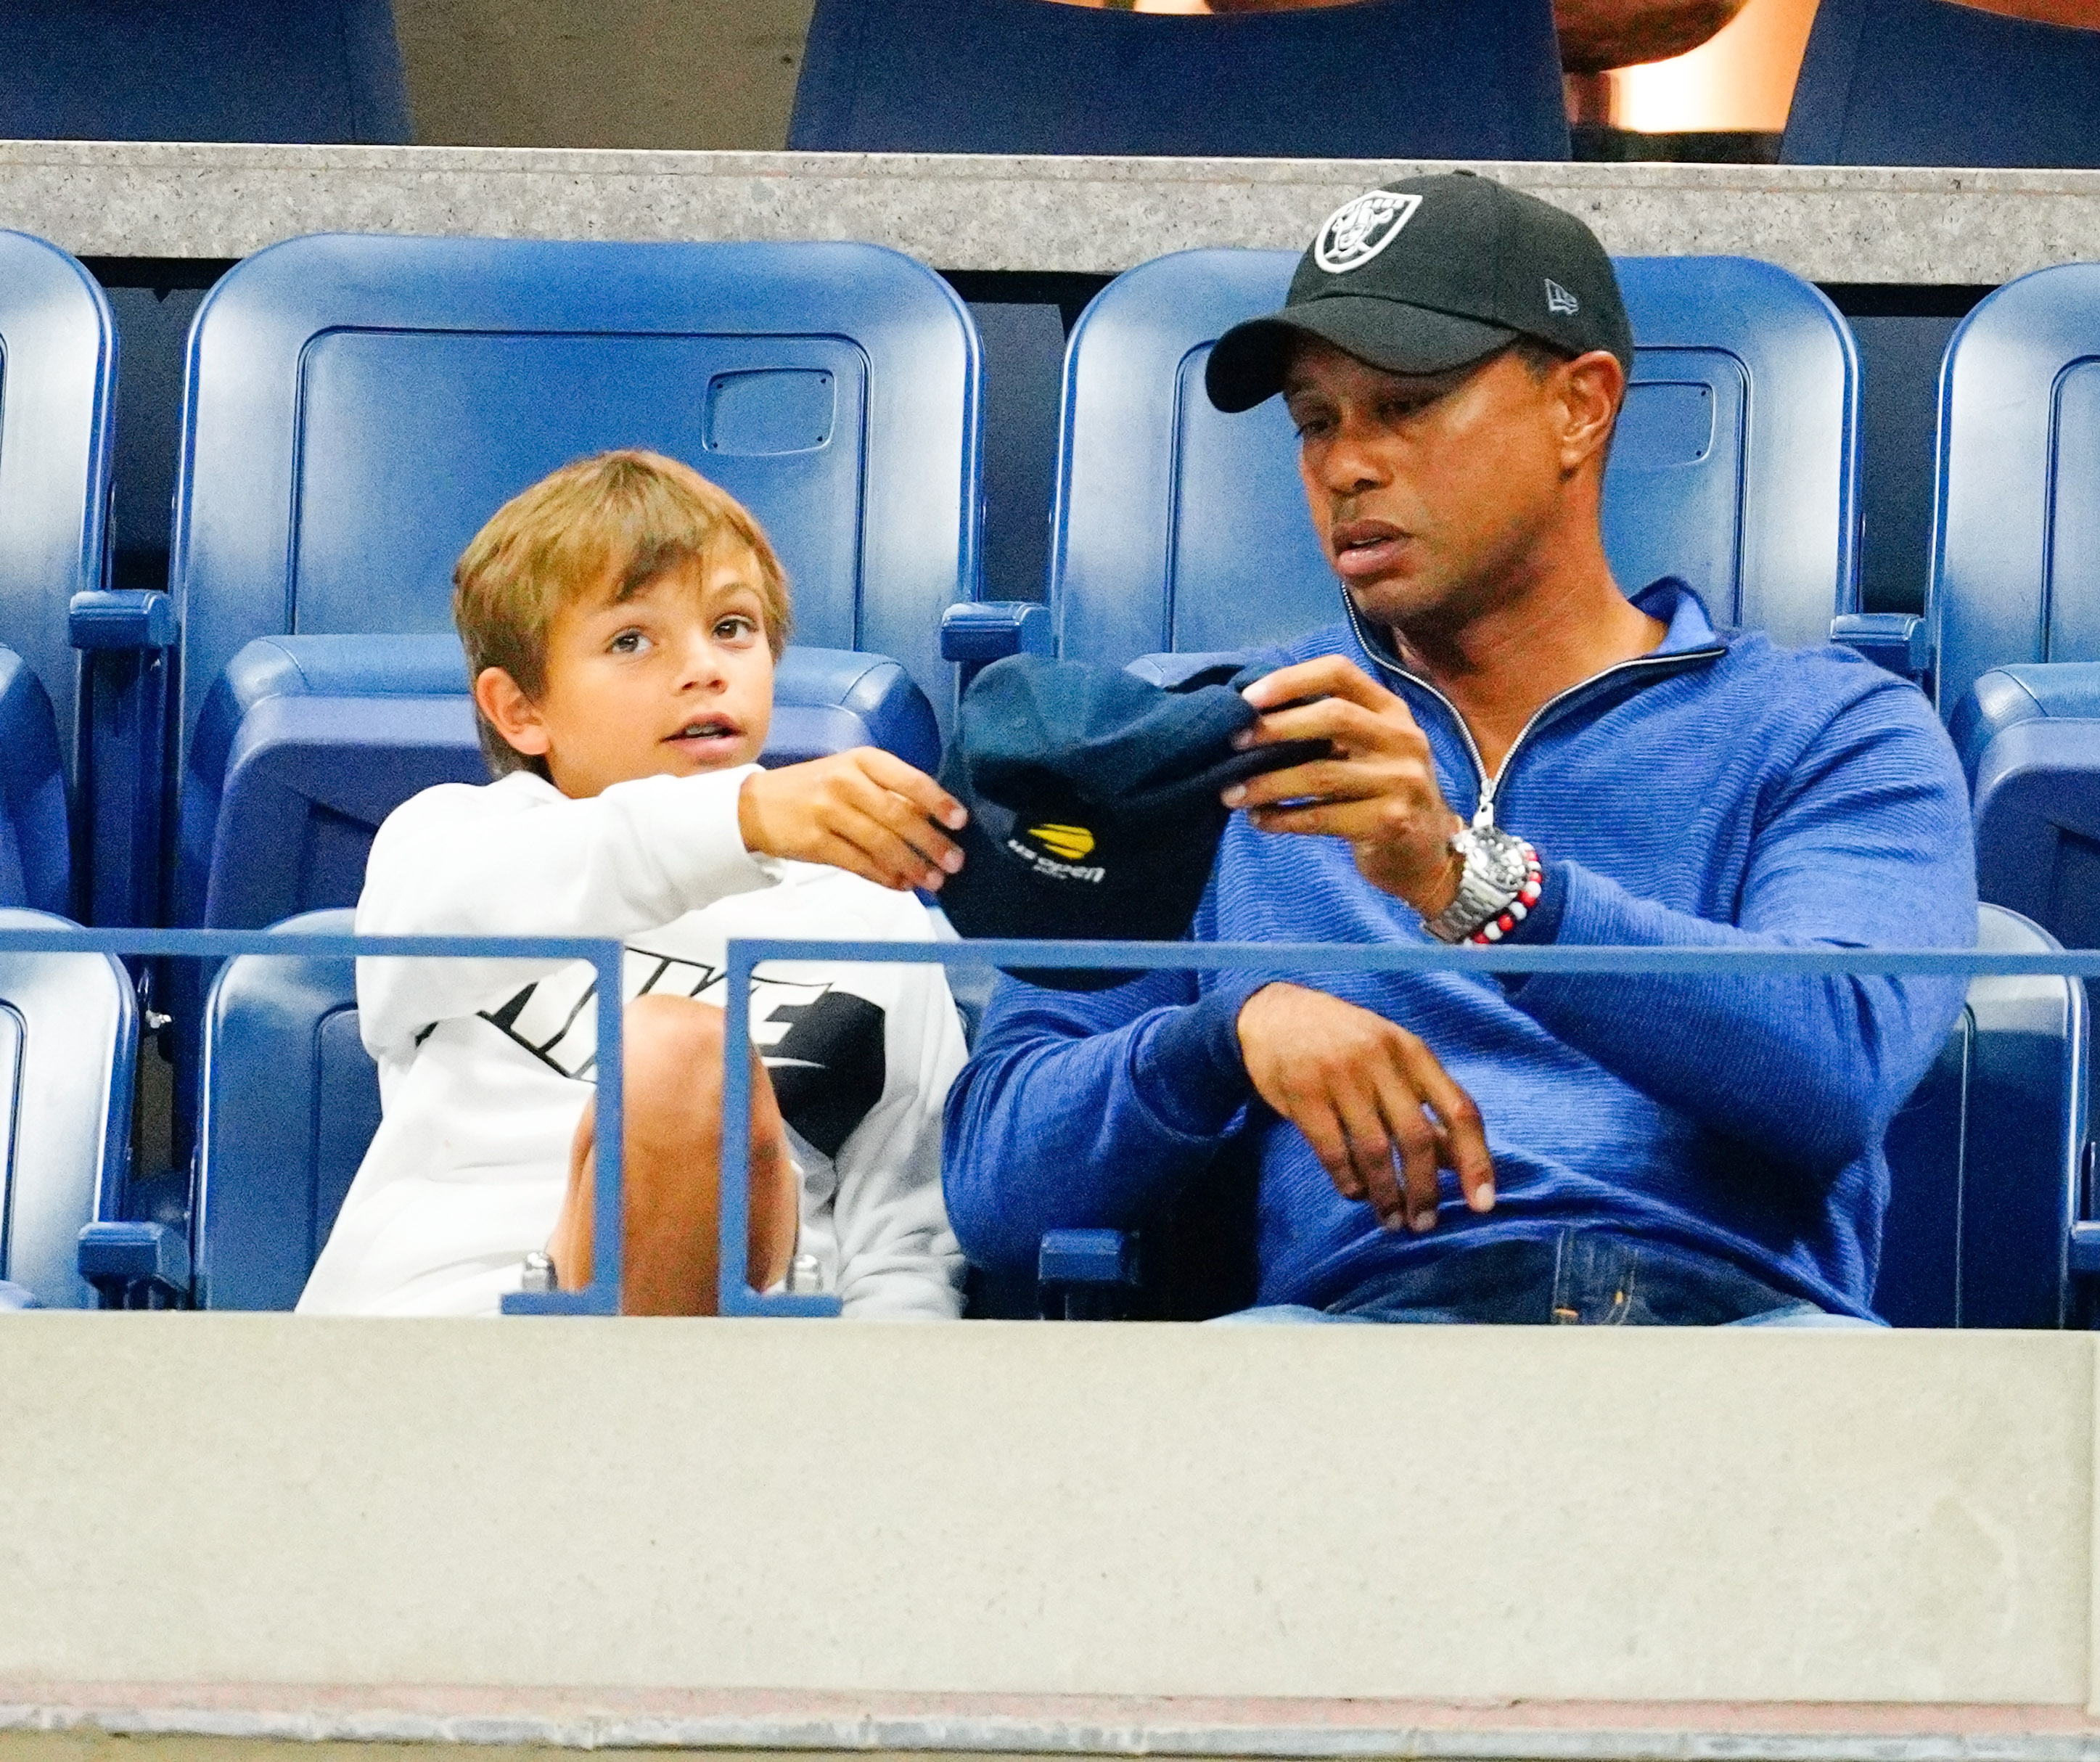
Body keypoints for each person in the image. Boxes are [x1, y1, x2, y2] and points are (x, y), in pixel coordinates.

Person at [943, 173, 1979, 1326]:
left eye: (1406, 405)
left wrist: (1470, 882)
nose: (1347, 465)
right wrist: (1227, 1035)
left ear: (1581, 407)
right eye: (1316, 421)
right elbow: (997, 1186)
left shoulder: (1828, 726)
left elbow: (1833, 1069)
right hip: (1366, 1358)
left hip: (1740, 1343)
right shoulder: (1205, 741)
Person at [298, 451, 972, 1319]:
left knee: (682, 1061)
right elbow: (516, 885)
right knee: (672, 1053)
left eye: (733, 627)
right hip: (438, 1360)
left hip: (744, 1383)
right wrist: (745, 816)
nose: (704, 668)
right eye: (630, 640)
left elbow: (906, 1251)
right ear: (520, 710)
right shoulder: (446, 841)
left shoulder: (870, 912)